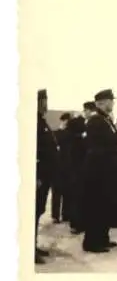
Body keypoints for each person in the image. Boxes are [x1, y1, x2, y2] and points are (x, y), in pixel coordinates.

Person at [81, 89, 117, 253]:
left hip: (106, 171)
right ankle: (92, 242)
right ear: (102, 103)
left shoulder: (105, 120)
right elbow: (99, 144)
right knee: (96, 207)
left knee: (105, 205)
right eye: (110, 101)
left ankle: (103, 238)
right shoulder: (96, 121)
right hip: (97, 172)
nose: (112, 103)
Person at [35, 89, 60, 264]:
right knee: (33, 212)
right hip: (38, 176)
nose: (46, 104)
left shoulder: (41, 120)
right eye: (43, 100)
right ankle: (28, 249)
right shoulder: (34, 121)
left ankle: (33, 245)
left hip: (45, 174)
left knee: (38, 211)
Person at [66, 102, 94, 235]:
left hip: (86, 165)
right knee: (77, 195)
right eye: (90, 111)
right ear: (86, 111)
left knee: (84, 195)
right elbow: (70, 139)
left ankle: (82, 222)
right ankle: (75, 224)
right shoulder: (77, 122)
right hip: (77, 164)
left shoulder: (90, 123)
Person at [52, 112, 73, 223]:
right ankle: (59, 215)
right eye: (66, 121)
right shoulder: (58, 133)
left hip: (64, 165)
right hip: (60, 165)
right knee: (59, 191)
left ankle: (62, 215)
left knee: (64, 191)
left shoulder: (65, 133)